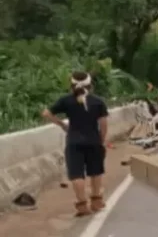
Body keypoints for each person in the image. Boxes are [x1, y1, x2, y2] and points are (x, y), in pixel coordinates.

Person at [41, 72, 109, 217]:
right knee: (95, 172)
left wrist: (61, 125)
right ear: (90, 85)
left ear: (71, 86)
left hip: (73, 142)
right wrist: (101, 141)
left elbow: (46, 113)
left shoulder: (66, 101)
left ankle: (82, 205)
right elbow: (103, 124)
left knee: (77, 174)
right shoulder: (98, 101)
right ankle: (96, 202)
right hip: (94, 141)